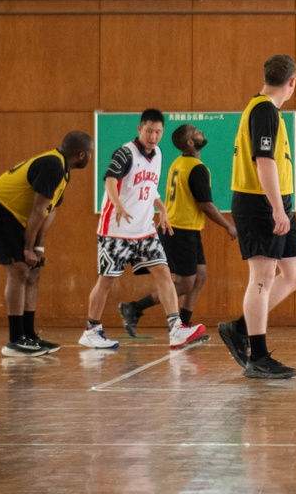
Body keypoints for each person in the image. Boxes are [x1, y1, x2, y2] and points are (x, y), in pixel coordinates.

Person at [80, 109, 206, 351]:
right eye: (149, 131)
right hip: (116, 231)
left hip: (145, 230)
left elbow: (151, 187)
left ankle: (176, 329)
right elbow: (109, 180)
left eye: (158, 132)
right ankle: (91, 330)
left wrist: (162, 209)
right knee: (106, 281)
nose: (153, 136)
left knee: (164, 274)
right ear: (140, 129)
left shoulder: (158, 153)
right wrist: (117, 204)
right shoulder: (125, 153)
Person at [217, 55, 296, 379]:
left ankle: (239, 328)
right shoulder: (264, 110)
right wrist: (277, 208)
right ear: (292, 82)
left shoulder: (268, 110)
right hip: (260, 204)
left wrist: (283, 205)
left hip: (276, 201)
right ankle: (258, 356)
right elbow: (264, 161)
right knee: (262, 277)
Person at [0, 131, 94, 357]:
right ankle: (15, 340)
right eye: (90, 153)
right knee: (19, 269)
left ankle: (28, 335)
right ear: (82, 154)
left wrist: (38, 249)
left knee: (34, 270)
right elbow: (38, 210)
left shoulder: (63, 171)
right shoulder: (53, 165)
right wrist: (26, 249)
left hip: (16, 218)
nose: (90, 157)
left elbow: (49, 213)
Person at [119, 121, 237, 337]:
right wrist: (228, 226)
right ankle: (134, 308)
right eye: (196, 132)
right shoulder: (197, 168)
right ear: (191, 142)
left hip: (187, 228)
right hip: (178, 230)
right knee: (184, 283)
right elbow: (207, 205)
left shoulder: (179, 163)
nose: (200, 131)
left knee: (199, 276)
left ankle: (183, 325)